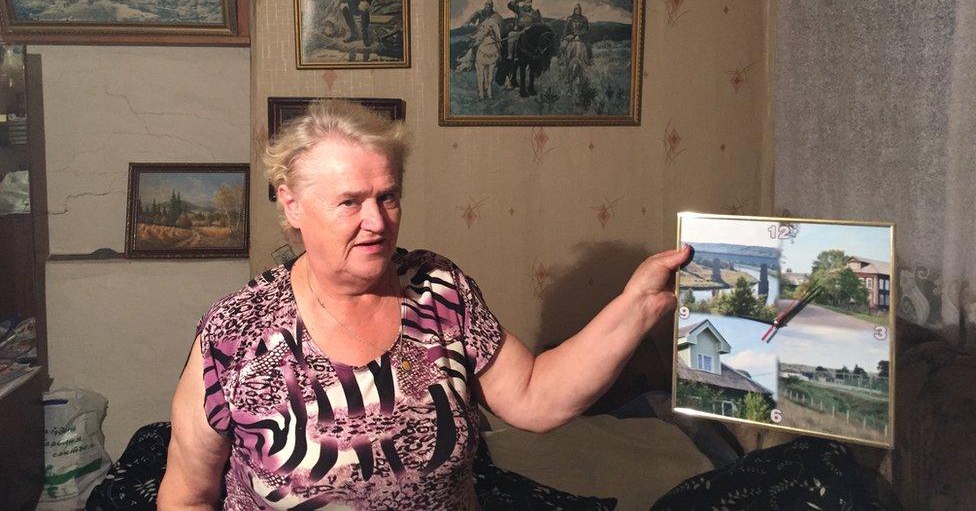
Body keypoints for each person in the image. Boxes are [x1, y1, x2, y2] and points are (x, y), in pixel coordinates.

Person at [158, 101, 689, 509]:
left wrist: (637, 304)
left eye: (387, 196)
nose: (378, 221)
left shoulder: (439, 288)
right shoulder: (237, 330)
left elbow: (533, 395)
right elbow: (185, 495)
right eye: (349, 202)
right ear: (291, 204)